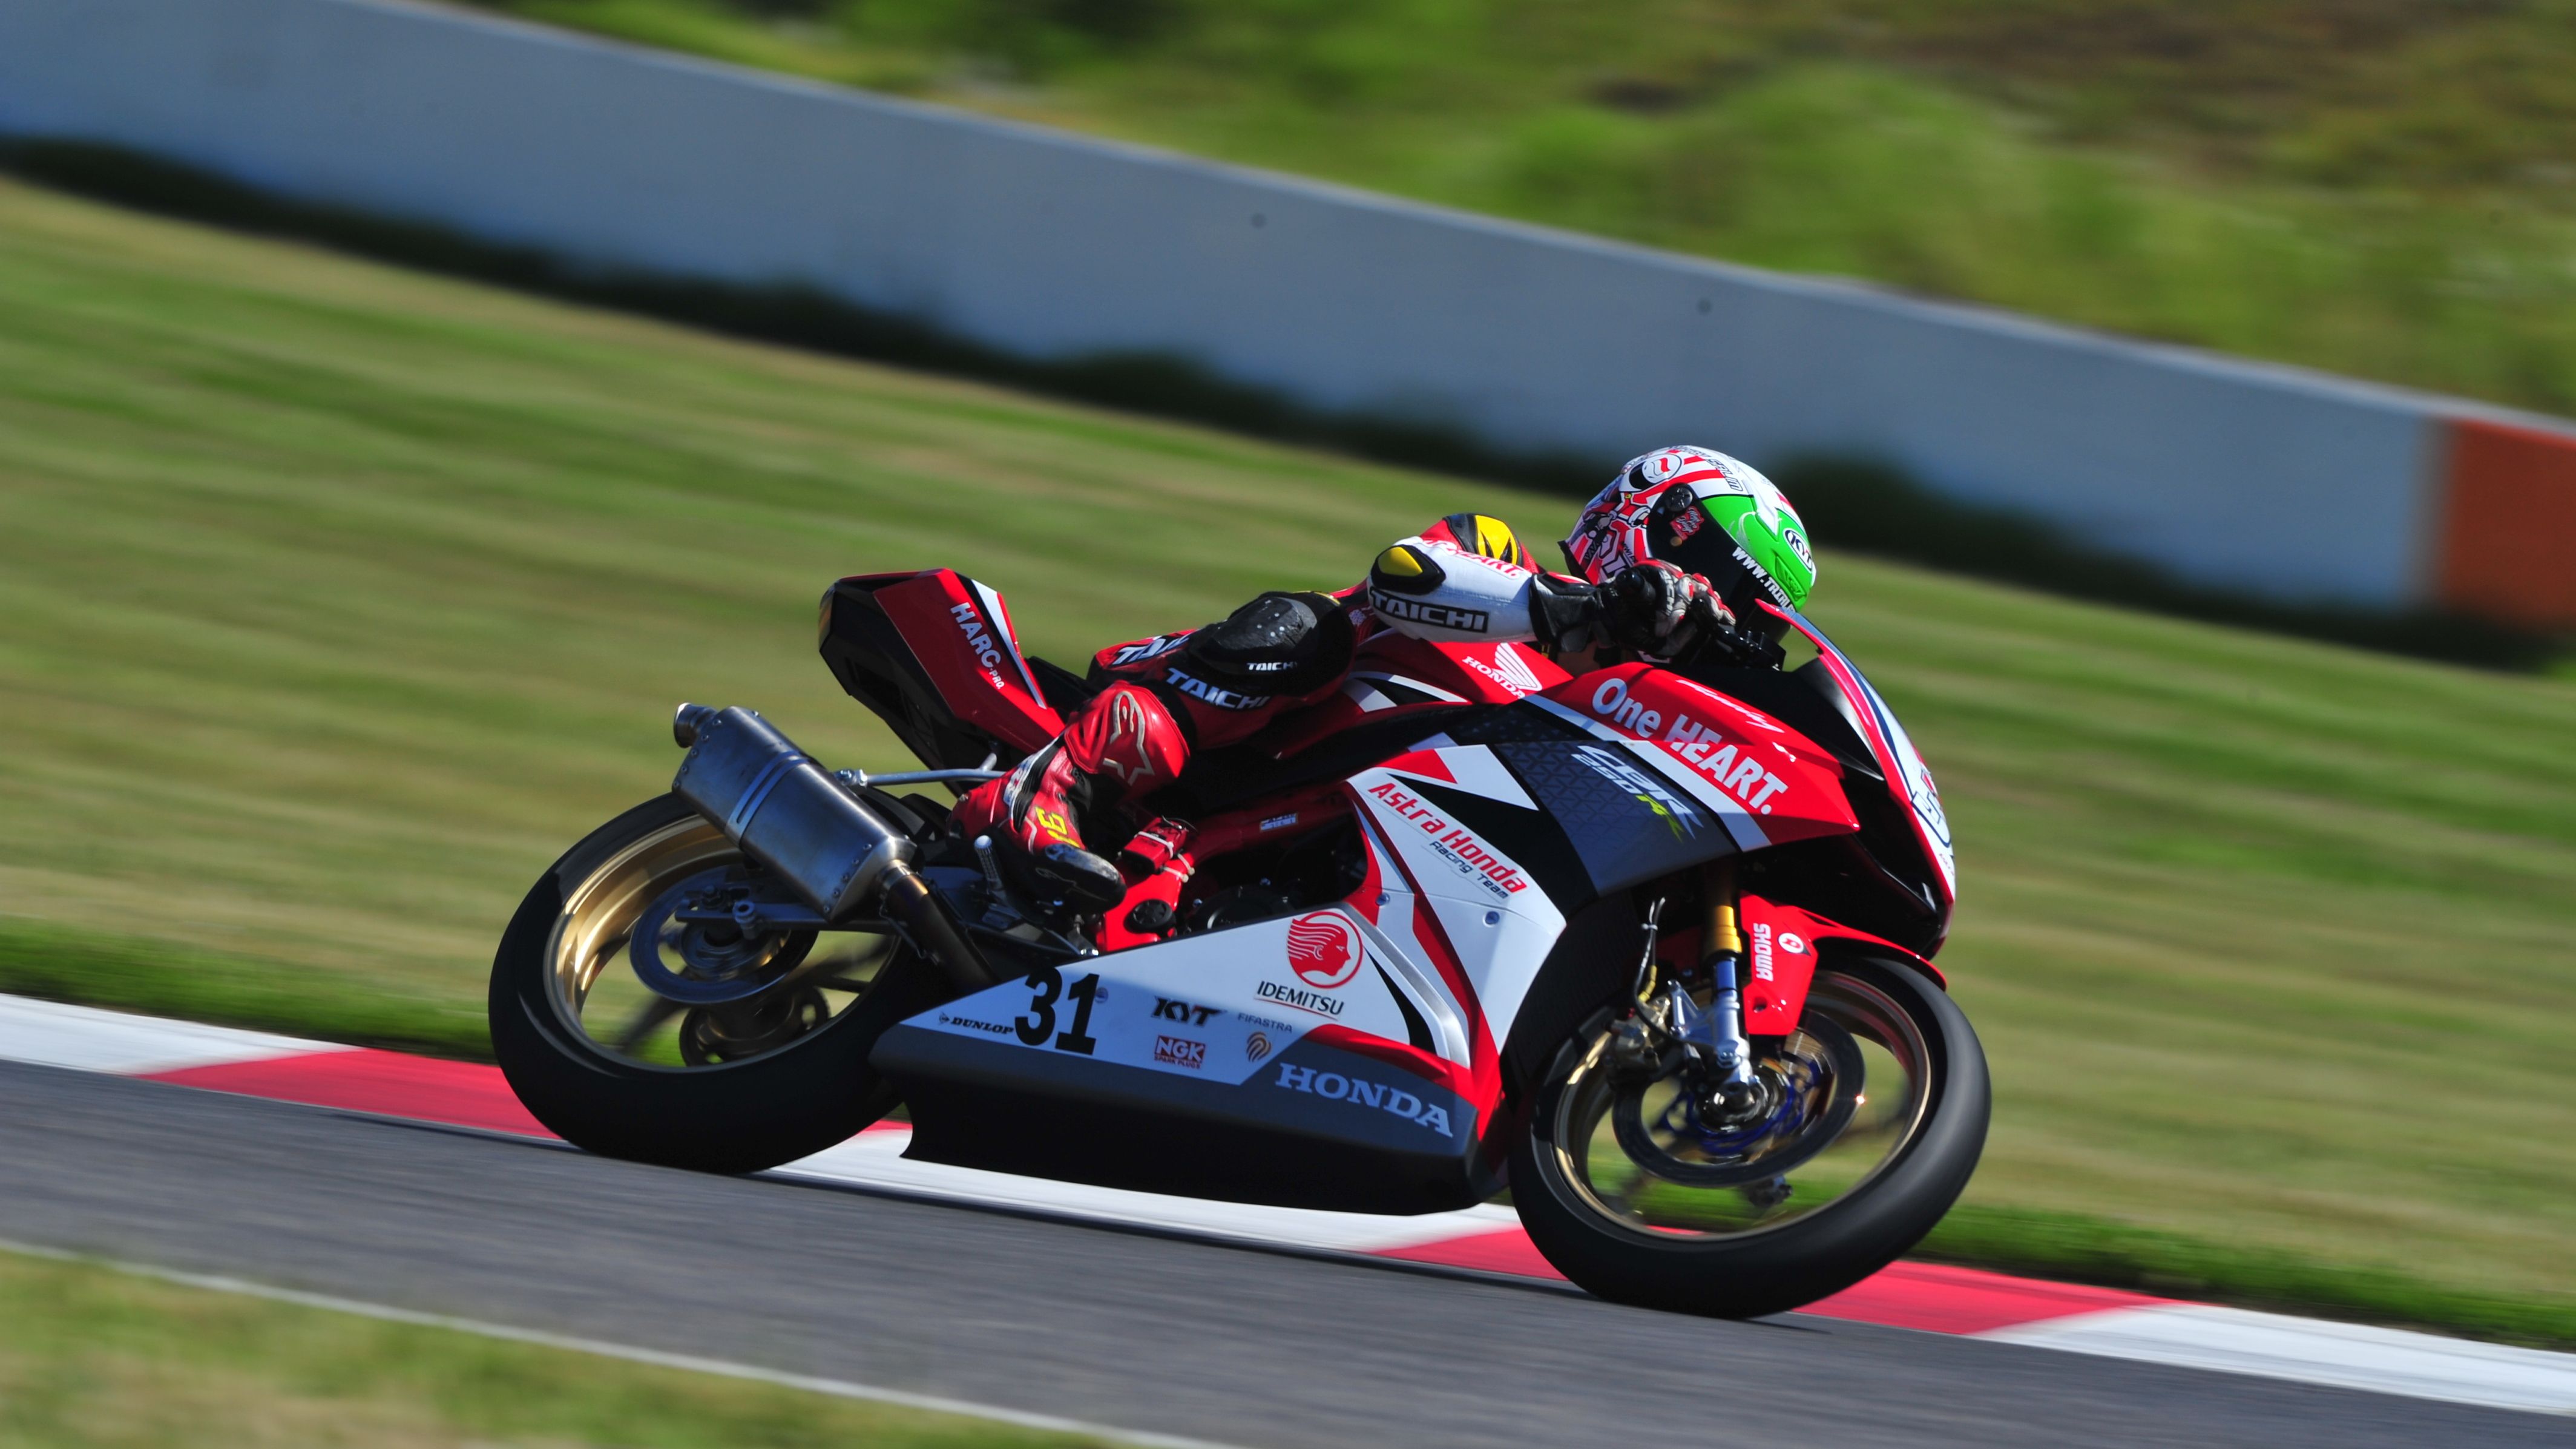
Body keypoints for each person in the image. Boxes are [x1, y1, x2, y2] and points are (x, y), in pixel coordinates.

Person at [952, 445, 1818, 910]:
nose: (1722, 614)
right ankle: (1049, 790)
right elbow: (1403, 574)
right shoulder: (1499, 554)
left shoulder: (1609, 726)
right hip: (1216, 732)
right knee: (1311, 629)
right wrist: (1578, 610)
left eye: (1752, 618)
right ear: (1657, 526)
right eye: (1721, 579)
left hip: (1298, 857)